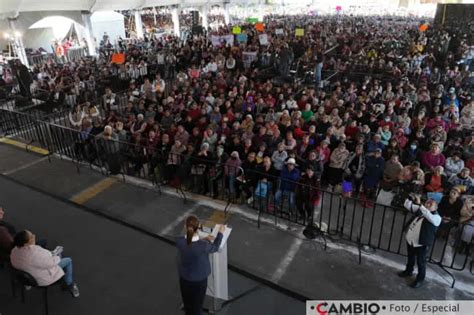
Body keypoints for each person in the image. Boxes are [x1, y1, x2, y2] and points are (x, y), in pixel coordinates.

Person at [176, 216, 225, 315]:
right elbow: (215, 247)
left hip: (184, 278)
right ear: (198, 227)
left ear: (186, 227)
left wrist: (203, 238)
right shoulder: (203, 246)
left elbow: (190, 242)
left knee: (187, 302)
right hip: (199, 280)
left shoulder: (180, 241)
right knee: (197, 305)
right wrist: (220, 233)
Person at [10, 230, 79, 297]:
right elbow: (52, 262)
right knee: (68, 260)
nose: (34, 236)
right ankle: (69, 284)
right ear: (26, 244)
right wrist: (57, 256)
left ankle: (27, 285)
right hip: (42, 279)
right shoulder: (35, 253)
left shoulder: (14, 251)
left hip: (26, 277)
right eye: (31, 237)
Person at [398, 197, 441, 288]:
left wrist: (421, 205)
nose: (428, 204)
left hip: (422, 243)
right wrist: (410, 198)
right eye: (427, 203)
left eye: (431, 204)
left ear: (436, 207)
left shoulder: (437, 217)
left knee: (421, 262)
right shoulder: (421, 210)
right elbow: (407, 205)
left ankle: (419, 279)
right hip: (411, 239)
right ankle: (408, 271)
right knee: (410, 257)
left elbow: (429, 216)